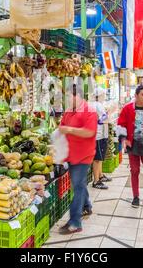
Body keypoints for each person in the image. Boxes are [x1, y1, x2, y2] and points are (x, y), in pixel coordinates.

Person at [59, 83, 98, 234]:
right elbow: (62, 126)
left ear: (78, 96)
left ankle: (75, 222)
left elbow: (89, 132)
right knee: (79, 184)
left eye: (69, 96)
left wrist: (69, 129)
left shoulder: (89, 111)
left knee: (79, 187)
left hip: (83, 156)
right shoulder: (69, 112)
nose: (67, 99)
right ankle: (87, 206)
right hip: (71, 155)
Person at [92, 88, 112, 190]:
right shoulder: (98, 105)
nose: (104, 96)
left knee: (100, 158)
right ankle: (96, 181)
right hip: (98, 135)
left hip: (100, 134)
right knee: (97, 159)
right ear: (100, 95)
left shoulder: (97, 104)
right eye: (103, 94)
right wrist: (109, 113)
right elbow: (102, 120)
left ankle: (100, 175)